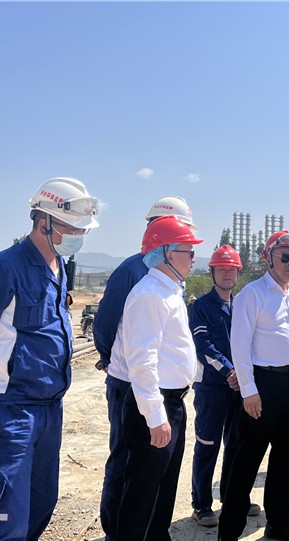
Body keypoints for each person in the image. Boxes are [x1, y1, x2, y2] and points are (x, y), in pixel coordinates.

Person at [0, 177, 99, 540]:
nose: (78, 234)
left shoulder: (59, 267)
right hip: (9, 408)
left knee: (39, 501)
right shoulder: (1, 270)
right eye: (71, 227)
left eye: (82, 228)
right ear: (43, 221)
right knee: (3, 513)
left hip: (50, 407)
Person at [94, 196, 196, 541]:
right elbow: (142, 358)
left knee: (161, 487)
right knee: (138, 488)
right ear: (166, 252)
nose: (193, 258)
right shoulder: (149, 292)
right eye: (187, 250)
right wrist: (154, 414)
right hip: (148, 398)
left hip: (169, 399)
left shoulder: (169, 289)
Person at [218, 231, 289, 541]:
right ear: (269, 258)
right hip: (263, 384)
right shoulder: (252, 294)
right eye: (284, 257)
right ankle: (229, 532)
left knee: (286, 458)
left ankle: (279, 523)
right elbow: (239, 345)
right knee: (246, 461)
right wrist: (249, 390)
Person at [189, 245, 261, 526]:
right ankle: (201, 505)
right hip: (212, 389)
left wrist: (244, 376)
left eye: (232, 269)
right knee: (208, 445)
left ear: (238, 273)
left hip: (240, 388)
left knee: (237, 445)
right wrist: (230, 370)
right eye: (222, 269)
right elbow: (203, 346)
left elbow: (253, 341)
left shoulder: (243, 304)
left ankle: (234, 498)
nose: (228, 274)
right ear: (212, 272)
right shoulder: (201, 307)